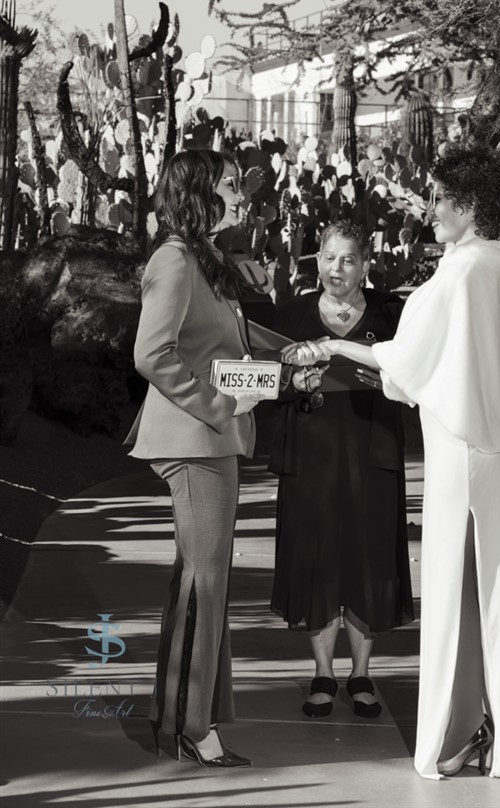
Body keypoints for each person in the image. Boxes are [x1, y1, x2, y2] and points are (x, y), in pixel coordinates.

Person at [283, 146, 500, 780]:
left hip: (457, 450)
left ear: (469, 206)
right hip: (472, 450)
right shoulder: (477, 266)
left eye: (442, 198)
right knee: (477, 595)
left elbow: (403, 360)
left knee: (452, 595)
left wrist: (333, 346)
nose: (432, 209)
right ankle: (478, 732)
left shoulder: (461, 272)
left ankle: (455, 734)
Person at [125, 149, 261, 768]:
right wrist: (218, 405)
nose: (239, 193)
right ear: (199, 192)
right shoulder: (175, 259)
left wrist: (298, 354)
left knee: (199, 582)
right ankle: (193, 727)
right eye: (229, 184)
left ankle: (181, 720)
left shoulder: (202, 258)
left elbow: (224, 342)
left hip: (209, 442)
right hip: (195, 443)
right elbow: (151, 353)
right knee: (206, 585)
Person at [270, 220, 414, 718]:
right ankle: (323, 674)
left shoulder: (392, 313)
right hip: (309, 457)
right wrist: (293, 382)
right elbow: (267, 379)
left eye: (348, 259)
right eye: (329, 258)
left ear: (365, 265)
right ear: (317, 261)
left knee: (368, 561)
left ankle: (362, 675)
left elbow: (412, 373)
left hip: (373, 453)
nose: (337, 268)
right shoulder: (290, 314)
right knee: (317, 563)